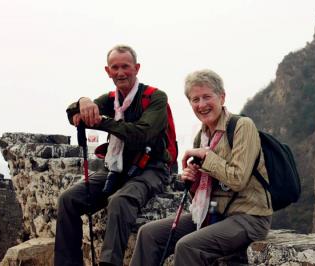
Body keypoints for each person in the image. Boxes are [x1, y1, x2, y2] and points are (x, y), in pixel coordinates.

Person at [130, 69, 273, 266]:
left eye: (207, 97)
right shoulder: (202, 137)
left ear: (222, 97)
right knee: (149, 234)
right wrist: (192, 181)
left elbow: (238, 179)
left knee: (188, 246)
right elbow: (202, 194)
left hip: (249, 217)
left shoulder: (242, 126)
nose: (201, 105)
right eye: (195, 99)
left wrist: (207, 157)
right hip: (215, 215)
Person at [54, 45, 172, 266]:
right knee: (68, 200)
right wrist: (83, 102)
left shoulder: (155, 98)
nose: (120, 72)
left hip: (151, 169)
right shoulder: (111, 100)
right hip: (116, 169)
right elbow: (74, 114)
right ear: (107, 71)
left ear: (136, 68)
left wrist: (102, 122)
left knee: (119, 201)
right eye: (115, 67)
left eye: (125, 66)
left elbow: (142, 134)